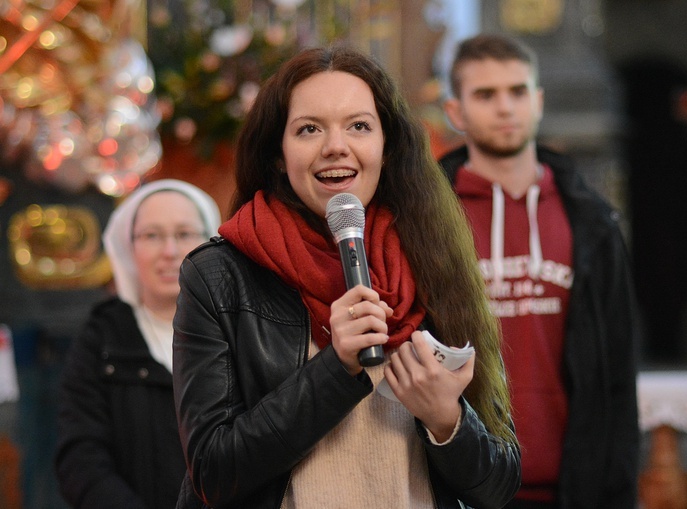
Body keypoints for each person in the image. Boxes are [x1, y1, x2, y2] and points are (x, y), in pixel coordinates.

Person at [172, 45, 521, 509]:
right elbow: (213, 473)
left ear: (387, 146)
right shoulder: (218, 277)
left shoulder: (438, 261)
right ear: (278, 154)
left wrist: (447, 420)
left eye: (359, 126)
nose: (336, 146)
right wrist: (336, 368)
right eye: (309, 129)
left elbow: (499, 484)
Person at [439, 34, 640, 508]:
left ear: (539, 101)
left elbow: (617, 377)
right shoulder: (428, 219)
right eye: (485, 95)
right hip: (461, 488)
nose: (505, 107)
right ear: (456, 112)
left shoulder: (592, 221)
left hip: (570, 490)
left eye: (518, 91)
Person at [55, 179, 221, 509]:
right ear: (129, 248)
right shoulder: (102, 335)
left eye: (185, 233)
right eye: (152, 236)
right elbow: (81, 456)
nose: (169, 251)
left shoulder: (238, 330)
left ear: (211, 243)